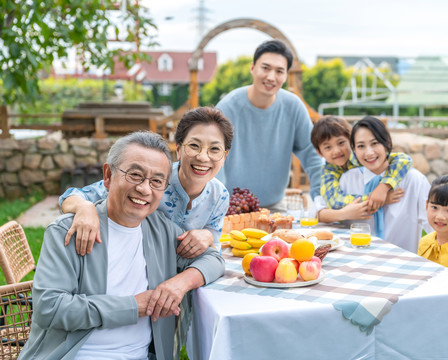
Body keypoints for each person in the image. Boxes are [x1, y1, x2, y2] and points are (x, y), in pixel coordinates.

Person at [18, 131, 225, 359]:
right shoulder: (69, 231)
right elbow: (50, 309)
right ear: (108, 175)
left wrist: (180, 283)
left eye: (156, 181)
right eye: (135, 175)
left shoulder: (161, 230)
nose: (145, 189)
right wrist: (135, 306)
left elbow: (214, 260)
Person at [59, 106, 233, 257]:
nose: (203, 157)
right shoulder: (152, 177)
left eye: (215, 149)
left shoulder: (220, 196)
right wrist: (84, 208)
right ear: (179, 149)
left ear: (224, 157)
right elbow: (72, 196)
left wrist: (208, 235)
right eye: (194, 146)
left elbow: (214, 242)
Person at [339, 116, 448, 253]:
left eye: (375, 143)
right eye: (361, 146)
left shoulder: (413, 181)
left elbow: (435, 223)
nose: (369, 152)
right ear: (354, 151)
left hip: (402, 262)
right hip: (357, 259)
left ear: (387, 143)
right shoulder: (347, 180)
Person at [216, 39, 323, 211]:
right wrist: (218, 204)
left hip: (275, 207)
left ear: (286, 76)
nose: (271, 77)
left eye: (279, 71)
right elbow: (214, 158)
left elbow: (313, 156)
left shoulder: (294, 107)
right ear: (252, 68)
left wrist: (321, 202)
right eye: (265, 68)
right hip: (230, 208)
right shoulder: (227, 108)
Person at [310, 115, 410, 223]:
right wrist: (375, 200)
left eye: (341, 143)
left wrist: (383, 187)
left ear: (351, 141)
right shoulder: (328, 173)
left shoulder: (364, 156)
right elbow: (334, 201)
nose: (336, 151)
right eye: (328, 147)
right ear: (319, 152)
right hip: (353, 224)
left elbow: (404, 159)